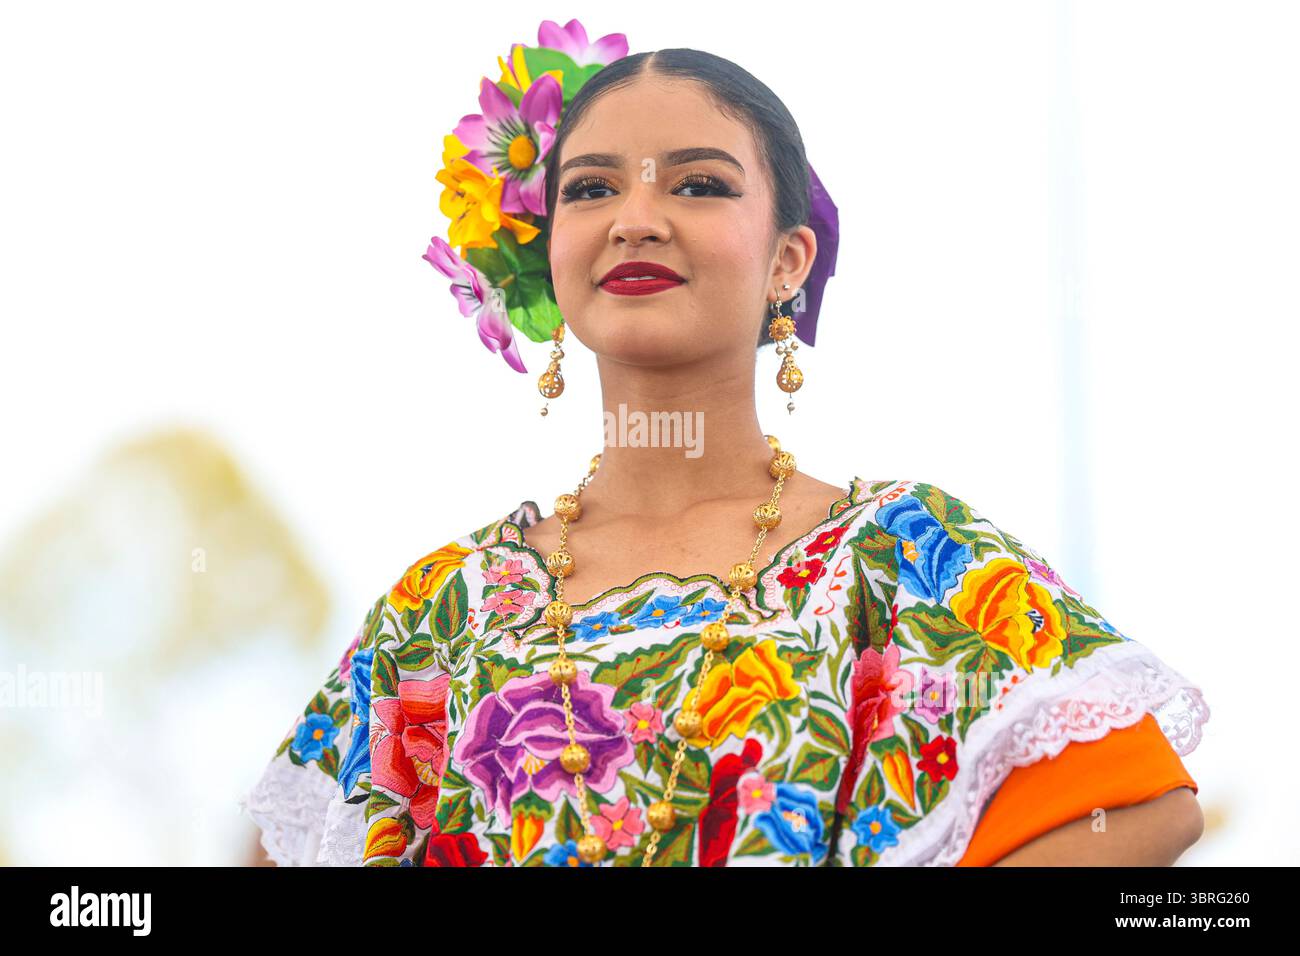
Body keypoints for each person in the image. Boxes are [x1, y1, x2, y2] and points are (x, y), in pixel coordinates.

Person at [239, 33, 1210, 867]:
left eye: (699, 182)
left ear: (789, 257)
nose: (635, 218)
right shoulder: (440, 606)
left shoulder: (905, 559)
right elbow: (282, 841)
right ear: (549, 250)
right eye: (590, 188)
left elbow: (1136, 805)